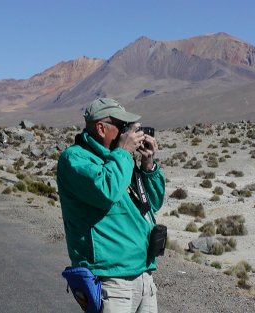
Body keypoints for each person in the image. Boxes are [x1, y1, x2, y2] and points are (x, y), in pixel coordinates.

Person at [57, 98, 165, 313]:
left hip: (143, 275)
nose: (129, 132)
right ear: (101, 128)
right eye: (122, 126)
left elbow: (152, 203)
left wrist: (148, 165)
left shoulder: (118, 161)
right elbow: (106, 191)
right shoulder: (75, 159)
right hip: (111, 281)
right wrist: (123, 153)